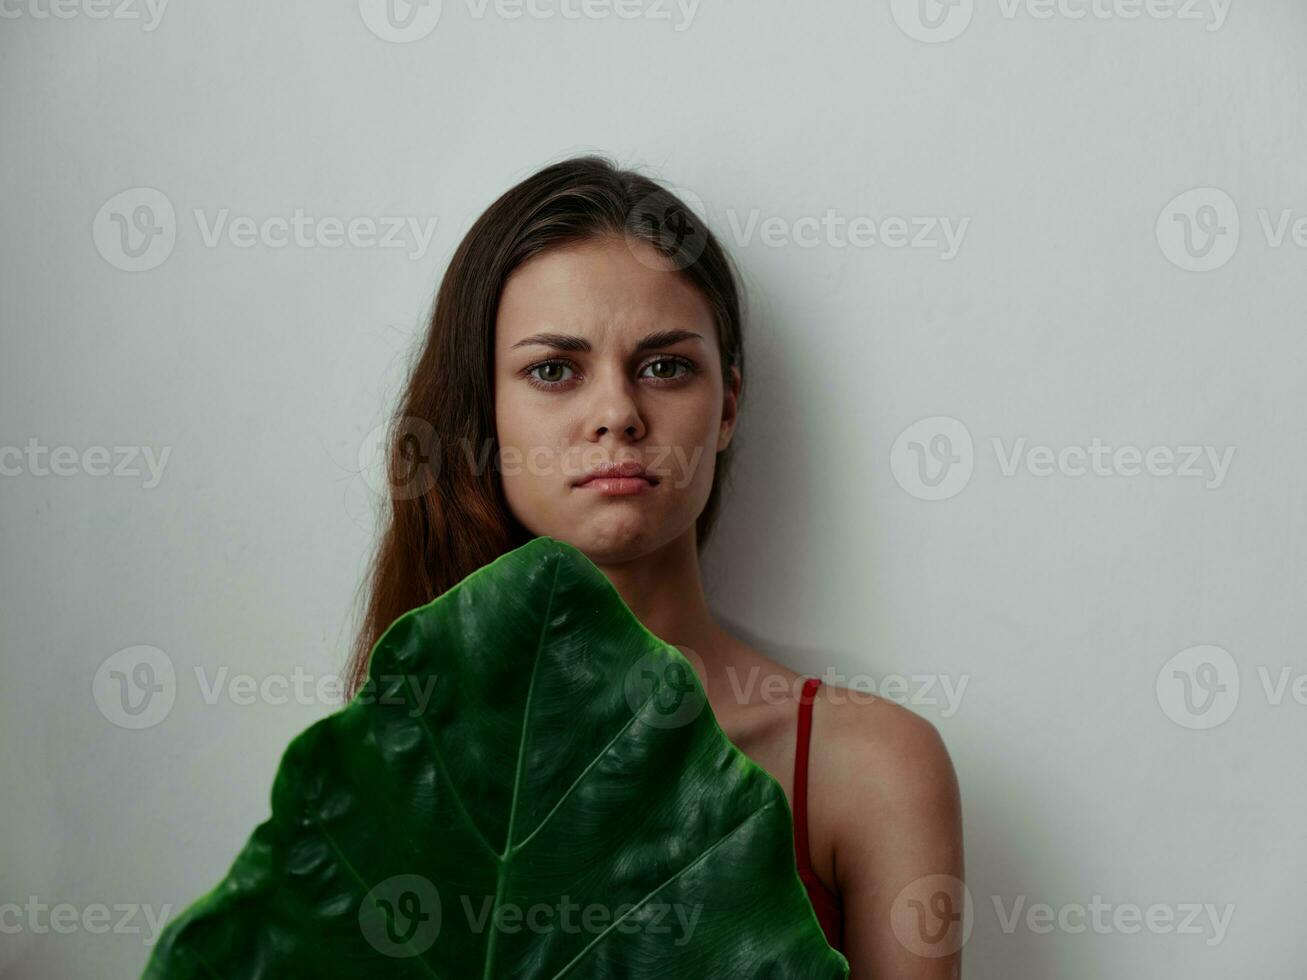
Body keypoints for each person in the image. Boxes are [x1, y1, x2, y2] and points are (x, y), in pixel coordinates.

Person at [344, 153, 965, 977]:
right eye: (553, 370)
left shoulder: (867, 769)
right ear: (481, 410)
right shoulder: (396, 753)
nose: (616, 414)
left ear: (727, 406)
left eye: (665, 366)